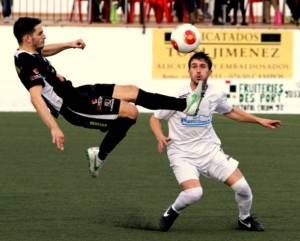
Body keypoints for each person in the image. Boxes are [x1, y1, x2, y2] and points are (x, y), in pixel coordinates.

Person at [13, 17, 203, 178]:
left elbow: (43, 50)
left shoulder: (27, 52)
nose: (44, 36)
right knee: (130, 112)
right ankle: (100, 156)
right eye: (40, 34)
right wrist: (54, 128)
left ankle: (184, 105)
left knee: (131, 90)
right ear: (28, 38)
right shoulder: (26, 62)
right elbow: (35, 97)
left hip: (77, 92)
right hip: (75, 107)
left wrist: (68, 44)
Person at [150, 51, 282, 232]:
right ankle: (173, 211)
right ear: (188, 71)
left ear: (209, 72)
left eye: (203, 67)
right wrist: (159, 136)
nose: (198, 71)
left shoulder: (215, 94)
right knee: (194, 193)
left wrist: (259, 120)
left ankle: (244, 219)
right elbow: (155, 118)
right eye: (194, 67)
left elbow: (231, 111)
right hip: (182, 154)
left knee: (244, 188)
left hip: (209, 151)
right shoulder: (178, 96)